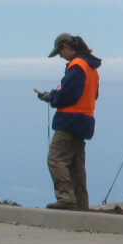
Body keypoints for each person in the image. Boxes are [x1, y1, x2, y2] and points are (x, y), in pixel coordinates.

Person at [34, 33, 101, 210]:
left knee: (55, 159)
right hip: (85, 121)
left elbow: (68, 95)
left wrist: (52, 97)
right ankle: (80, 203)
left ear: (65, 46)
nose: (60, 56)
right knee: (75, 164)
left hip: (70, 120)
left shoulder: (77, 66)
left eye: (60, 52)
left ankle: (65, 198)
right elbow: (93, 95)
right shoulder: (91, 67)